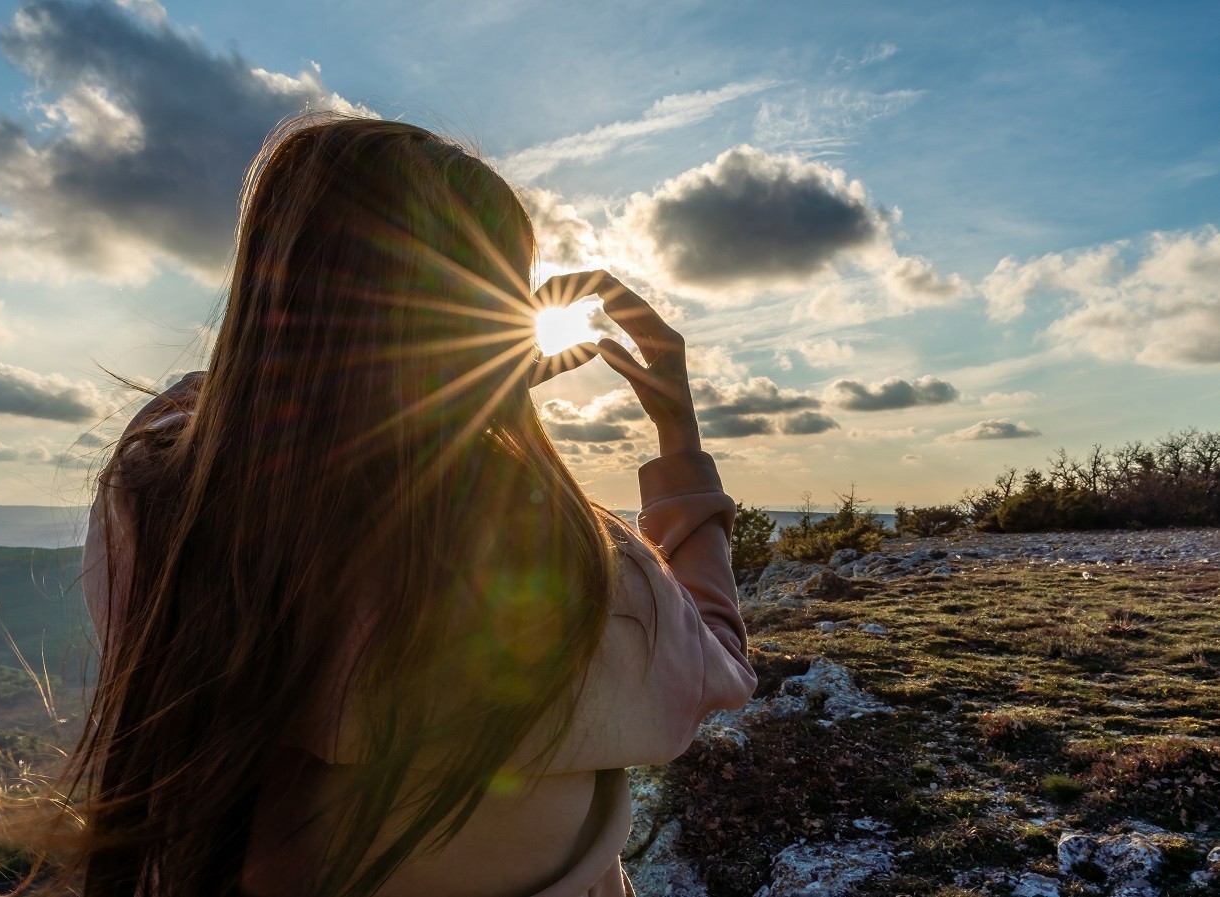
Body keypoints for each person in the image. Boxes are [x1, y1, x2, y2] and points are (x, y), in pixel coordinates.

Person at [71, 114, 756, 897]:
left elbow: (216, 415)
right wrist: (676, 435)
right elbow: (718, 665)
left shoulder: (159, 512)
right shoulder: (586, 583)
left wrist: (426, 405)